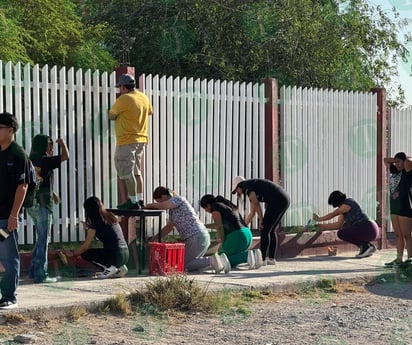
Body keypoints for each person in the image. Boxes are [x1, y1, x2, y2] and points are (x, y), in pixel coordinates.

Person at [145, 186, 230, 273]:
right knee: (192, 264)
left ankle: (212, 260)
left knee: (184, 264)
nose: (158, 204)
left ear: (164, 196)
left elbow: (162, 206)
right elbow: (168, 228)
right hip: (199, 236)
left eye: (159, 201)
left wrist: (147, 206)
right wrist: (154, 238)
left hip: (195, 236)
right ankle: (219, 262)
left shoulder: (178, 200)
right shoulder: (172, 211)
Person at [0, 112, 32, 309]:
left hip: (5, 219)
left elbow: (23, 186)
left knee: (7, 254)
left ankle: (10, 296)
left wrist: (14, 215)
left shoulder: (18, 155)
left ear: (10, 130)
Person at [26, 134, 69, 283]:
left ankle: (33, 271)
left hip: (32, 204)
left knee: (40, 239)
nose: (51, 148)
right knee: (44, 239)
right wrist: (62, 143)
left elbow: (39, 181)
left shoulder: (31, 161)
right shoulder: (45, 160)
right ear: (44, 146)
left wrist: (54, 193)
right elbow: (65, 157)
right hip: (44, 204)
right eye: (50, 145)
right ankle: (40, 275)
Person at [108, 74, 153, 210]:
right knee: (136, 171)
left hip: (126, 140)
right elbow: (150, 112)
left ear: (123, 87)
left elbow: (111, 115)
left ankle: (132, 202)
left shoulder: (124, 98)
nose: (119, 90)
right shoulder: (144, 97)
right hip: (141, 139)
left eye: (119, 87)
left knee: (125, 170)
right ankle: (139, 199)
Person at [65, 196, 129, 279]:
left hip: (115, 255)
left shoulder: (96, 223)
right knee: (107, 251)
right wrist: (89, 227)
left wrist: (73, 253)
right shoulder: (110, 217)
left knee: (86, 253)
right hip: (125, 253)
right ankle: (120, 267)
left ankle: (109, 268)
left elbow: (85, 247)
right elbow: (106, 231)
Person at [231, 176, 290, 265]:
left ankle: (262, 259)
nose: (238, 193)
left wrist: (262, 220)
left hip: (277, 200)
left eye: (236, 191)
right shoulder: (251, 187)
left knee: (264, 230)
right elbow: (252, 212)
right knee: (271, 230)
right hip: (284, 199)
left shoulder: (247, 186)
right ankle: (271, 258)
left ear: (239, 186)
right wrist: (242, 227)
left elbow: (256, 203)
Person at [200, 194, 263, 269]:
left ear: (208, 205)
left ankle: (246, 256)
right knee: (230, 257)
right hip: (247, 234)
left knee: (221, 259)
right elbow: (221, 224)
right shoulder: (225, 206)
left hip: (237, 236)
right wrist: (204, 226)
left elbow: (219, 227)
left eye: (205, 209)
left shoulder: (215, 209)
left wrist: (222, 242)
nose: (206, 211)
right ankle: (254, 254)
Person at [313, 190, 379, 258]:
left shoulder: (348, 203)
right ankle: (368, 247)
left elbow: (333, 214)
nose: (337, 207)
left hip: (368, 228)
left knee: (345, 229)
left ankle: (365, 247)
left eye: (336, 205)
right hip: (370, 229)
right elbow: (338, 225)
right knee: (341, 233)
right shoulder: (344, 210)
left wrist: (319, 219)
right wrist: (321, 226)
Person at [384, 152, 412, 263]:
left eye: (399, 162)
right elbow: (386, 160)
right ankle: (399, 259)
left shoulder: (408, 172)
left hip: (405, 206)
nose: (397, 164)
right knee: (398, 235)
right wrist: (396, 160)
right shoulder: (395, 171)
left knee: (407, 235)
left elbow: (409, 161)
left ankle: (410, 259)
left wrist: (405, 159)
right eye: (396, 162)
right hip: (395, 207)